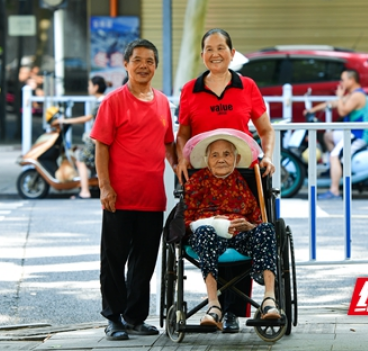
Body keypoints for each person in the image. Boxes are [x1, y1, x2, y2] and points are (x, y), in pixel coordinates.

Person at [175, 27, 276, 333]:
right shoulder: (190, 90)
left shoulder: (246, 86)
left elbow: (266, 130)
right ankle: (217, 305)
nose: (215, 53)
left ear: (232, 53)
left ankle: (237, 308)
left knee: (248, 222)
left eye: (221, 48)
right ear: (202, 54)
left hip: (245, 169)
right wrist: (181, 158)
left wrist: (267, 156)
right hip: (203, 170)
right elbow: (182, 134)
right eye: (209, 48)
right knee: (209, 227)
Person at [90, 39, 177, 341]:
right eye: (137, 60)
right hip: (119, 196)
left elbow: (169, 144)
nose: (143, 66)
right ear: (125, 64)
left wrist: (181, 168)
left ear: (155, 66)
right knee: (113, 260)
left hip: (152, 197)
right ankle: (113, 318)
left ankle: (135, 318)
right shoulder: (113, 102)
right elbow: (101, 147)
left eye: (150, 61)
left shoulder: (163, 102)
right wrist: (104, 187)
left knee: (144, 261)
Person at [182, 129, 280, 329]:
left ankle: (269, 300)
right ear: (207, 159)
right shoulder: (196, 182)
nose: (221, 159)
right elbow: (185, 222)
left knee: (267, 229)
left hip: (239, 238)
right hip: (208, 239)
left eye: (227, 154)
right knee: (204, 232)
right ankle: (214, 306)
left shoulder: (241, 182)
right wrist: (211, 221)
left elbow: (257, 219)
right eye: (215, 155)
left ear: (236, 158)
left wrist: (250, 226)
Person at [305, 69, 368, 200]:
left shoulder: (357, 96)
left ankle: (334, 190)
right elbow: (333, 103)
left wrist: (340, 97)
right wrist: (313, 110)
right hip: (351, 133)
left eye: (343, 80)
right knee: (328, 136)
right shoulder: (353, 94)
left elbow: (342, 111)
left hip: (359, 135)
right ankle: (337, 167)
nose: (340, 82)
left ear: (351, 80)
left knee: (333, 155)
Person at [55, 75, 108, 199]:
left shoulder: (101, 102)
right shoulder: (103, 100)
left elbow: (87, 118)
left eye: (89, 85)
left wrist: (67, 121)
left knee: (81, 161)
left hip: (96, 139)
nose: (88, 88)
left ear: (96, 87)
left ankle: (85, 191)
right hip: (99, 138)